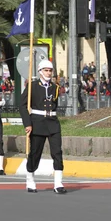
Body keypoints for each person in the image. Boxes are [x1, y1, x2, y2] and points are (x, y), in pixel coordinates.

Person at [20, 60, 66, 194]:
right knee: (35, 152)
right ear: (40, 71)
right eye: (46, 70)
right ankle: (30, 179)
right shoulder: (32, 86)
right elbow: (22, 106)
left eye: (50, 70)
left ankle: (58, 183)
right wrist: (27, 123)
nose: (48, 73)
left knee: (57, 152)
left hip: (52, 122)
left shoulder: (55, 87)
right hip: (37, 122)